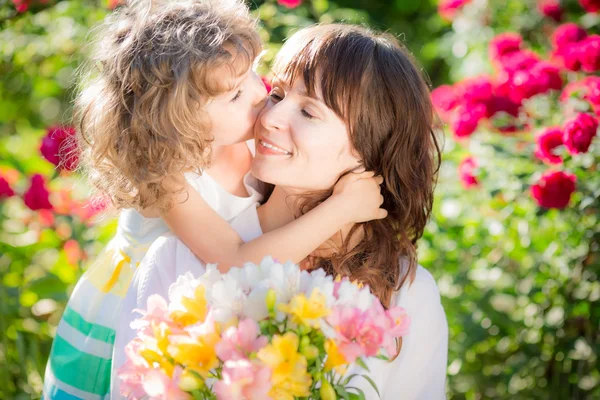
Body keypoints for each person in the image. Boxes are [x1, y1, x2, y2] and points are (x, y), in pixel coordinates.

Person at [42, 2, 385, 398]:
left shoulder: (251, 138)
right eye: (237, 94)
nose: (260, 93)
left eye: (254, 72)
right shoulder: (169, 178)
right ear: (180, 120)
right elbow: (236, 260)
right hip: (133, 320)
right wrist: (341, 208)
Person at [113, 23, 448, 399]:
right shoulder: (180, 259)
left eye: (308, 112)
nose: (269, 118)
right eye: (277, 94)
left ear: (371, 147)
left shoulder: (405, 294)